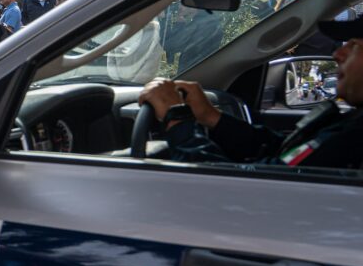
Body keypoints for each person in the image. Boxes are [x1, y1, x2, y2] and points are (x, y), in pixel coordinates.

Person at [138, 16, 363, 169]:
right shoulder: (351, 128)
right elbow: (282, 153)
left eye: (353, 45)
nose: (338, 54)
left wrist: (177, 122)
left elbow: (239, 196)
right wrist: (212, 117)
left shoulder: (353, 140)